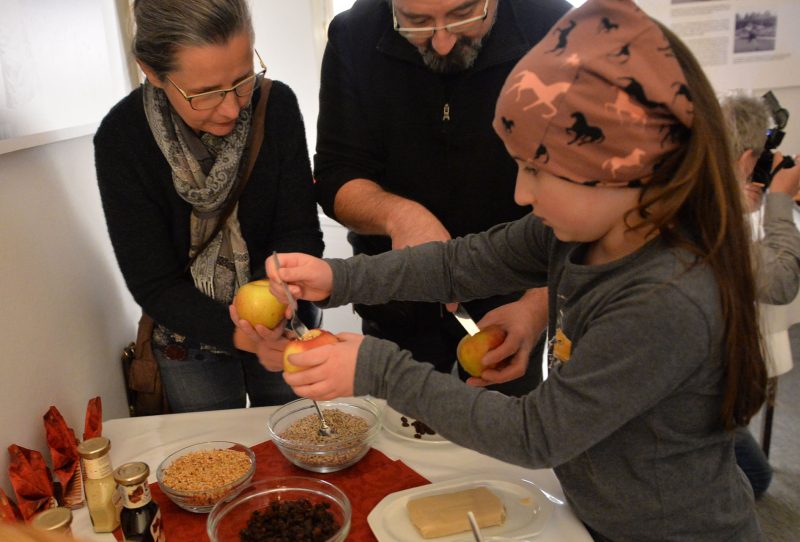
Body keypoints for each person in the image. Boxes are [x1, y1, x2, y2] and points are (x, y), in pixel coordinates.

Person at [241, 0, 767, 539]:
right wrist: (338, 279)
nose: (520, 192)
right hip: (596, 513)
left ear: (619, 173)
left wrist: (377, 369)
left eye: (537, 171)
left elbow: (535, 433)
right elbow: (459, 263)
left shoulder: (663, 298)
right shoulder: (576, 231)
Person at [312, 0, 571, 395]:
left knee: (496, 445)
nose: (443, 42)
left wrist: (536, 309)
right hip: (396, 303)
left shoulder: (555, 27)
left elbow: (578, 203)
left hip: (512, 309)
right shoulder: (354, 34)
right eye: (416, 22)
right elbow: (336, 174)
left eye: (463, 15)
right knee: (395, 446)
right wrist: (398, 216)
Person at [95, 0, 324, 413]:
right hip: (189, 341)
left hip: (282, 323)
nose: (234, 108)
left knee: (302, 447)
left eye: (242, 80)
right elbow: (154, 283)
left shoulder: (277, 107)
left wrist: (280, 301)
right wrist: (243, 334)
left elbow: (299, 232)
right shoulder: (122, 139)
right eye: (204, 94)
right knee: (216, 462)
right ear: (151, 71)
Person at [720, 92, 800, 498]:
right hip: (698, 398)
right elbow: (782, 281)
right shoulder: (709, 227)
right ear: (745, 160)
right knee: (756, 478)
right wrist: (780, 200)